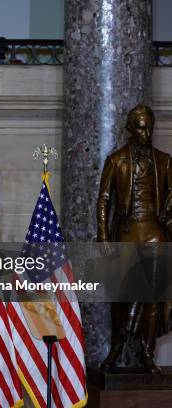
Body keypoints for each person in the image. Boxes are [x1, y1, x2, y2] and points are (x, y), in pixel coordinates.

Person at [97, 104, 172, 373]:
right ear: (130, 129)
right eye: (141, 127)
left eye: (150, 126)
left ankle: (147, 353)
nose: (146, 132)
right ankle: (115, 348)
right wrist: (104, 237)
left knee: (152, 297)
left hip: (155, 232)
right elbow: (104, 200)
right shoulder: (116, 160)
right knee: (122, 296)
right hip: (128, 233)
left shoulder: (163, 161)